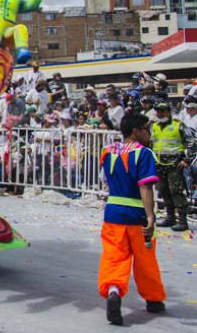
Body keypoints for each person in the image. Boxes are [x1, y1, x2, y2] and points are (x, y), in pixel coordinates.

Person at [98, 112, 165, 326]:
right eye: (146, 129)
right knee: (145, 261)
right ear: (136, 131)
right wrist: (150, 216)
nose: (149, 133)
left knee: (114, 256)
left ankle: (114, 291)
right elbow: (145, 186)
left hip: (113, 213)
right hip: (136, 215)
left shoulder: (107, 151)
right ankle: (153, 300)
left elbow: (105, 181)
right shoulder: (143, 153)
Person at [151, 101, 193, 232]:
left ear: (168, 112)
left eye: (162, 111)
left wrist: (186, 160)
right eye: (158, 111)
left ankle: (182, 220)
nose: (160, 113)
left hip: (175, 164)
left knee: (176, 191)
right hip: (160, 163)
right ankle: (170, 217)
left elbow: (192, 142)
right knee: (164, 191)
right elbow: (153, 144)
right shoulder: (155, 126)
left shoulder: (178, 125)